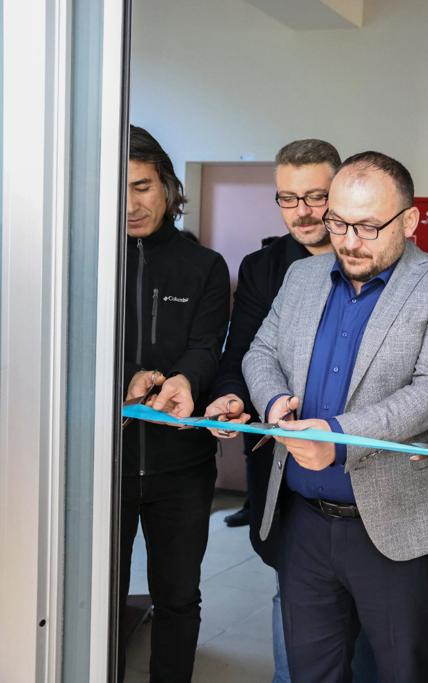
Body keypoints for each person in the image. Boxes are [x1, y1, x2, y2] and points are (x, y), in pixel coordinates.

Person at [242, 150, 428, 682]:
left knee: (403, 672)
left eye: (369, 227)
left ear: (410, 221)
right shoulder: (302, 276)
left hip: (398, 524)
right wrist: (274, 400)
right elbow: (260, 352)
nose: (349, 241)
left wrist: (339, 436)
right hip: (303, 523)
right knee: (311, 673)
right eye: (338, 223)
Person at [202, 139, 342, 683]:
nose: (302, 212)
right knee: (297, 601)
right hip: (286, 465)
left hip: (362, 467)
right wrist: (235, 395)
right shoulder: (263, 267)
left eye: (315, 196)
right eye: (288, 198)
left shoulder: (378, 258)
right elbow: (241, 354)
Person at [120, 125, 230, 682]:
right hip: (103, 467)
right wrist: (124, 380)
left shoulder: (204, 265)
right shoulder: (82, 259)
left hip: (182, 469)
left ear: (166, 186)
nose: (130, 204)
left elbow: (207, 346)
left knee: (178, 597)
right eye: (116, 189)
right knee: (99, 593)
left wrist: (185, 379)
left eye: (141, 187)